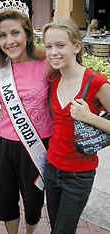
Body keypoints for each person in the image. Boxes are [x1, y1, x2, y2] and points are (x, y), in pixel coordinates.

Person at [0, 0, 53, 234]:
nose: (9, 41)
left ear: (27, 32)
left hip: (38, 143)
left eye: (15, 32)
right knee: (5, 200)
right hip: (3, 144)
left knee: (34, 201)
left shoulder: (47, 62)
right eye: (3, 35)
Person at [42, 17, 110, 234]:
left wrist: (89, 117)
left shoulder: (96, 82)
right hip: (52, 168)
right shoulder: (53, 80)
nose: (54, 52)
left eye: (60, 45)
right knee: (56, 227)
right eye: (49, 46)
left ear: (76, 46)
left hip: (79, 175)